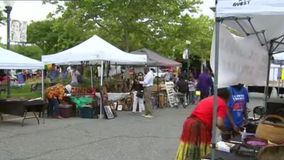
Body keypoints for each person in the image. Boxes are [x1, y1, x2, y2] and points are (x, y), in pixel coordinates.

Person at [175, 88, 231, 160]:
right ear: (226, 97)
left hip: (189, 123)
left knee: (188, 149)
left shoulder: (208, 99)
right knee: (201, 152)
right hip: (200, 126)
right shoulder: (222, 103)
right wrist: (225, 130)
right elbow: (219, 123)